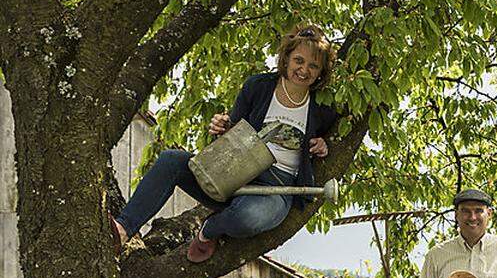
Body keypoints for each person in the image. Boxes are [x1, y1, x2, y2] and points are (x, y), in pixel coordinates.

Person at [112, 24, 339, 262]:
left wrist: (323, 145)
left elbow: (325, 140)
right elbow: (232, 132)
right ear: (287, 58)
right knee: (171, 160)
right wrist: (220, 127)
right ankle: (122, 229)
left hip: (275, 188)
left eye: (313, 66)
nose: (304, 70)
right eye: (299, 61)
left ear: (321, 71)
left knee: (248, 217)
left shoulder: (322, 107)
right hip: (234, 172)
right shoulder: (259, 86)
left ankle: (209, 230)